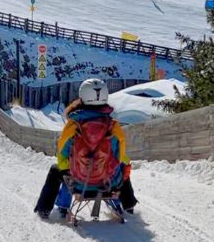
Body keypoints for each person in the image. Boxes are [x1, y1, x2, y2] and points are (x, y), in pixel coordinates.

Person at [34, 78, 138, 219]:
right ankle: (128, 205)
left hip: (78, 184)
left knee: (56, 170)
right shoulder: (113, 127)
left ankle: (48, 209)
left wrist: (69, 169)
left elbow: (62, 154)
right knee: (123, 166)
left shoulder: (73, 126)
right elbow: (120, 156)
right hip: (107, 183)